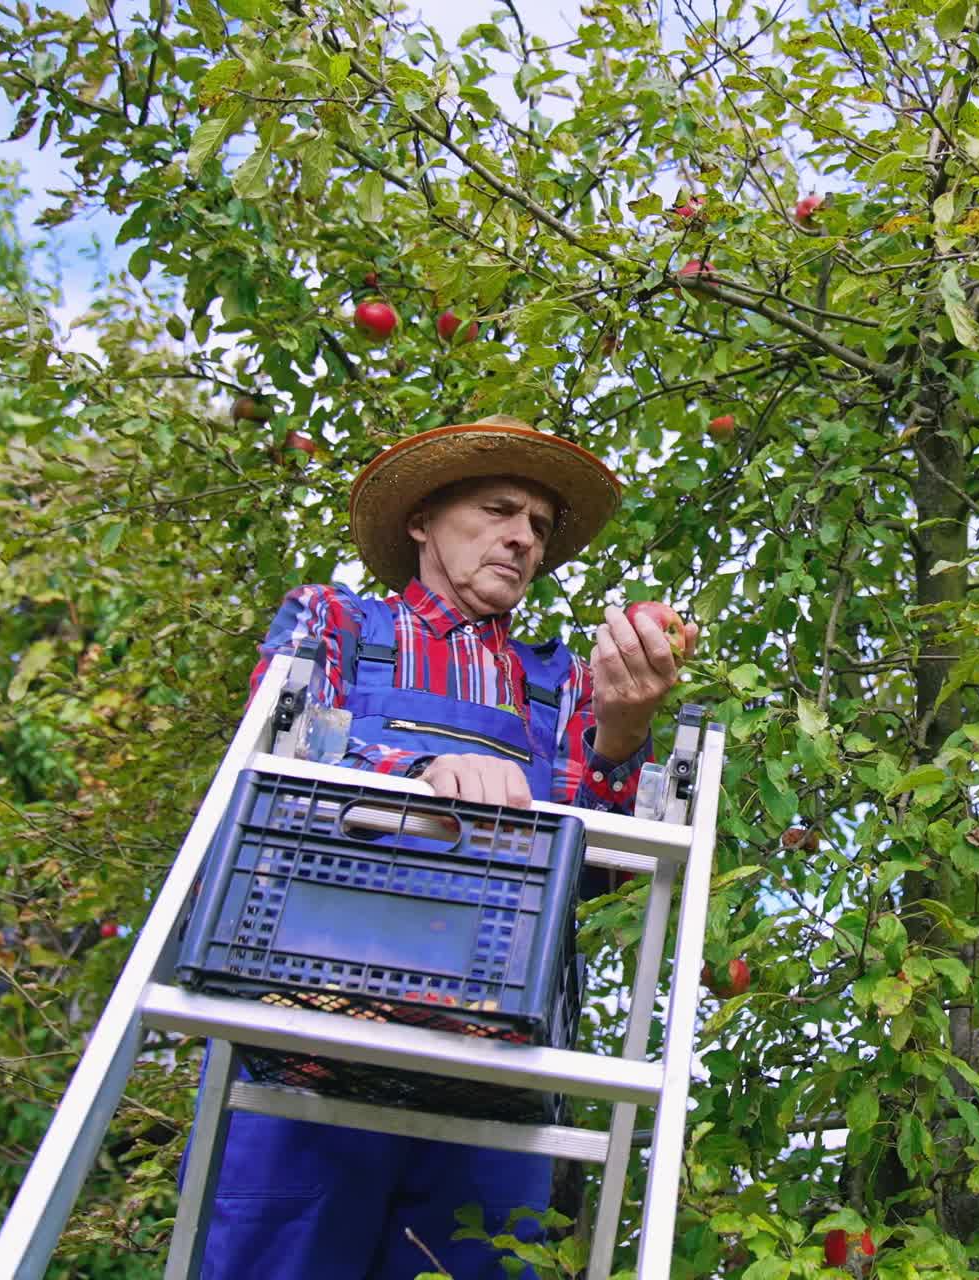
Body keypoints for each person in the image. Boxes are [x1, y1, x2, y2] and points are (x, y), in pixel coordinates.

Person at [195, 416, 697, 1279]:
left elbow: (606, 867)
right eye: (500, 510)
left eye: (539, 527)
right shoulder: (340, 623)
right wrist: (423, 772)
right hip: (312, 1023)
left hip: (496, 1046)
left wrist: (623, 728)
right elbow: (274, 749)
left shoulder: (566, 681)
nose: (523, 538)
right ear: (423, 520)